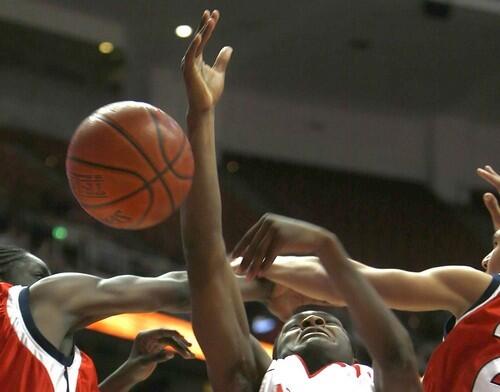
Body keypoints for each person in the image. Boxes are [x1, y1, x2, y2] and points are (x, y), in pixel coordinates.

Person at [180, 9, 422, 392]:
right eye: (294, 327)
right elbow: (204, 258)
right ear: (270, 354)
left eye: (326, 322)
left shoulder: (383, 381)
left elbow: (397, 356)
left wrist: (324, 246)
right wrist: (201, 116)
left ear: (358, 357)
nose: (310, 321)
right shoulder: (248, 376)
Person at [234, 165, 500, 392]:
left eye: (495, 244)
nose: (485, 259)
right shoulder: (482, 297)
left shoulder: (478, 293)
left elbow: (351, 282)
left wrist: (241, 268)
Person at [0, 245, 195, 391]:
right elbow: (179, 290)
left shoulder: (83, 370)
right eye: (39, 275)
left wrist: (129, 374)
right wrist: (217, 276)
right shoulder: (13, 307)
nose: (49, 283)